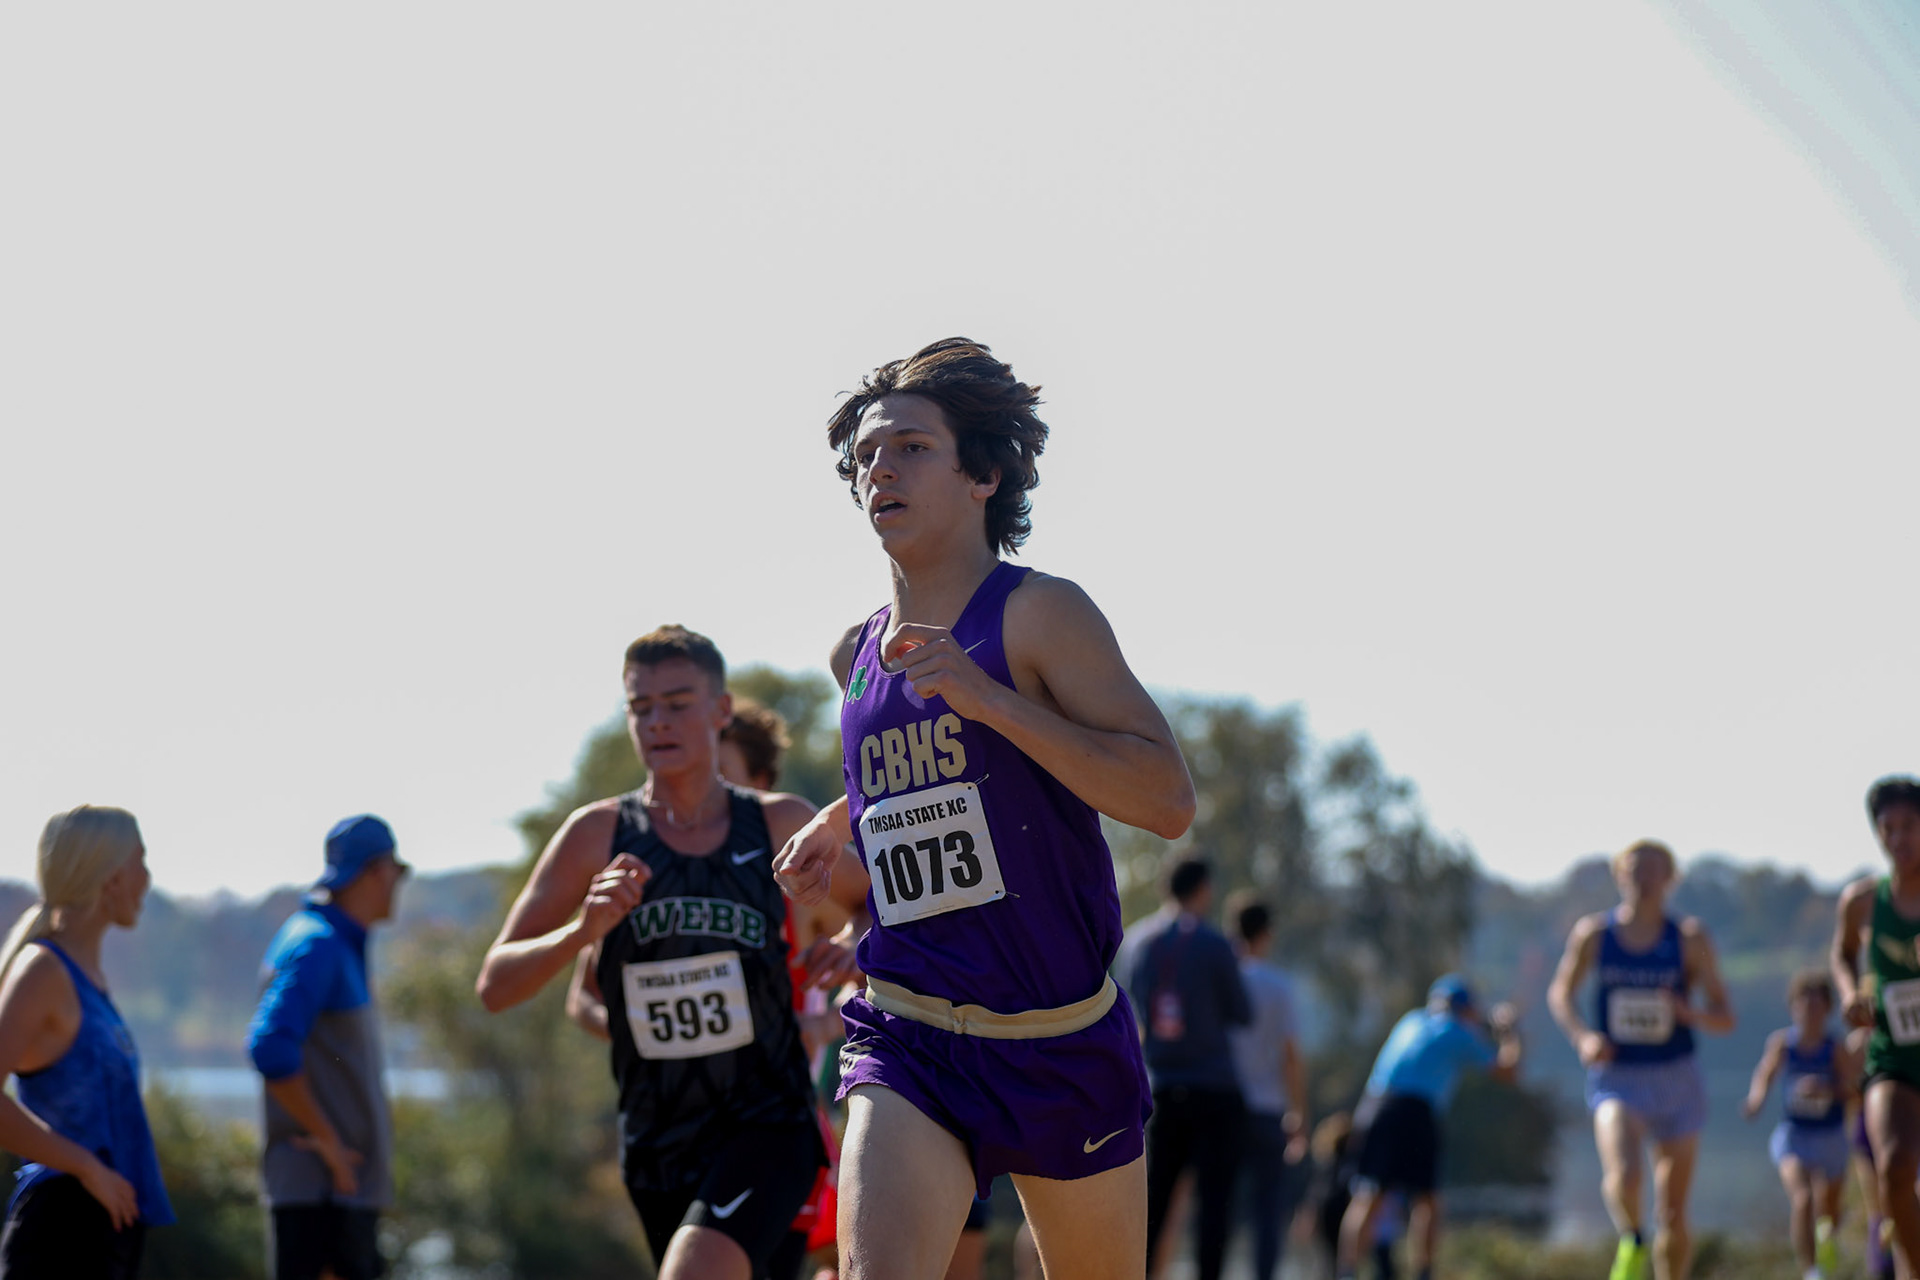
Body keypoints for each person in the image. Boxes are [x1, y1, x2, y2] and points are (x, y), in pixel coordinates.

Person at [774, 337, 1197, 1280]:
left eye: (912, 447)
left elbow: (1166, 800)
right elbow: (938, 781)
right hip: (908, 1031)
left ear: (983, 474)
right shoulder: (858, 654)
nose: (880, 467)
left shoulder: (1040, 614)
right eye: (867, 456)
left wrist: (993, 699)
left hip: (1059, 1037)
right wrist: (841, 816)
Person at [478, 625, 868, 1280]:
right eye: (640, 708)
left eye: (678, 703)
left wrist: (855, 942)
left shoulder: (776, 822)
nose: (657, 722)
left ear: (720, 712)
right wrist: (581, 929)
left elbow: (878, 900)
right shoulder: (597, 834)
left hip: (768, 1123)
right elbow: (496, 985)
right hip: (657, 1141)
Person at [1548, 838, 1735, 1280]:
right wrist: (1583, 1038)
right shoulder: (1594, 935)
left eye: (1655, 870)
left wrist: (1690, 1013)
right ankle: (1632, 1238)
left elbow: (1725, 1015)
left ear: (1670, 880)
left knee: (1673, 1213)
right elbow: (1561, 993)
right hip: (1618, 1075)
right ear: (1619, 876)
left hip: (1677, 1077)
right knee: (1627, 1177)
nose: (1644, 879)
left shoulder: (1689, 938)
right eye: (1636, 869)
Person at [0, 806, 173, 1280]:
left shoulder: (87, 978)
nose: (148, 878)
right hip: (58, 1238)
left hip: (100, 1240)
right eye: (141, 860)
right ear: (112, 877)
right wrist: (87, 1167)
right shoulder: (42, 971)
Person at [247, 814, 409, 1280]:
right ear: (378, 870)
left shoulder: (331, 939)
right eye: (397, 870)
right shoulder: (318, 944)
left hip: (334, 1194)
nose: (398, 883)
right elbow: (270, 1047)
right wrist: (330, 1143)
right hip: (322, 1196)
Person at [1337, 975, 1521, 1280]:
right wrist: (1509, 1033)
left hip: (1375, 1107)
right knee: (1428, 1199)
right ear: (1464, 1008)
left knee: (1368, 1195)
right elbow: (1507, 1070)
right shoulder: (1457, 1031)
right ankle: (1423, 1273)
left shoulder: (1412, 1020)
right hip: (1415, 1111)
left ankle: (1346, 1273)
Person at [1125, 858, 1250, 1280]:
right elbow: (1241, 1012)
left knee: (1155, 1202)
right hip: (1215, 1088)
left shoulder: (1138, 942)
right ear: (1201, 889)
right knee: (1215, 1205)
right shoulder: (1216, 946)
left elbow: (1131, 1007)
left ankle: (1139, 1273)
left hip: (1162, 1087)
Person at [1833, 775, 1920, 1280]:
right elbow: (1842, 953)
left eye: (1910, 826)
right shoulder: (1862, 901)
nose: (1899, 839)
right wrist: (1849, 993)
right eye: (1888, 828)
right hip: (1892, 1057)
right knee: (1891, 1167)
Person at [1743, 969, 1857, 1280]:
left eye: (1817, 1006)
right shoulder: (1782, 1044)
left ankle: (1827, 1236)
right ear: (1793, 1007)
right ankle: (1811, 1272)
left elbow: (1853, 1091)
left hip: (1831, 1136)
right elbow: (1765, 1074)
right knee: (1803, 1198)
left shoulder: (1835, 1049)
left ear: (1827, 1010)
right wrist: (1755, 1099)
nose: (1809, 1013)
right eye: (1803, 1005)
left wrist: (1826, 1090)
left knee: (1829, 1208)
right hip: (1794, 1135)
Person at [1226, 892, 1308, 1280]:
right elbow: (1291, 1055)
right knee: (1267, 1212)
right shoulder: (1279, 986)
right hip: (1268, 1109)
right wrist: (1299, 1113)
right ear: (1267, 933)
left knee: (1220, 1206)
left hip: (1224, 1106)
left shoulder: (1222, 980)